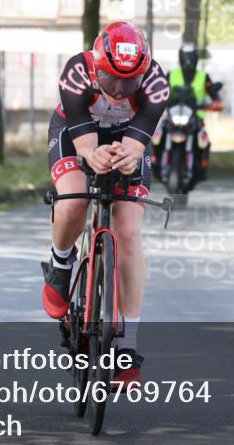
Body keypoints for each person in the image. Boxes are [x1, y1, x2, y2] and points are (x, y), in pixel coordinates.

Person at [42, 21, 170, 387]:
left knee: (128, 232)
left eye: (128, 84)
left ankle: (127, 348)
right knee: (72, 202)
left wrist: (129, 157)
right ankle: (60, 262)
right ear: (97, 64)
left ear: (143, 72)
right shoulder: (77, 70)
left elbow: (136, 145)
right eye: (111, 79)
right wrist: (91, 155)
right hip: (75, 133)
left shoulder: (157, 83)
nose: (117, 91)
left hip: (126, 140)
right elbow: (85, 146)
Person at [163, 43, 222, 187]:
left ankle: (202, 169)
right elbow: (159, 91)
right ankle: (152, 162)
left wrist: (215, 101)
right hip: (173, 116)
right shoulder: (171, 74)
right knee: (157, 135)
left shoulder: (203, 76)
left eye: (191, 57)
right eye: (185, 57)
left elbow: (214, 95)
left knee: (205, 142)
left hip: (196, 118)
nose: (188, 60)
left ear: (196, 58)